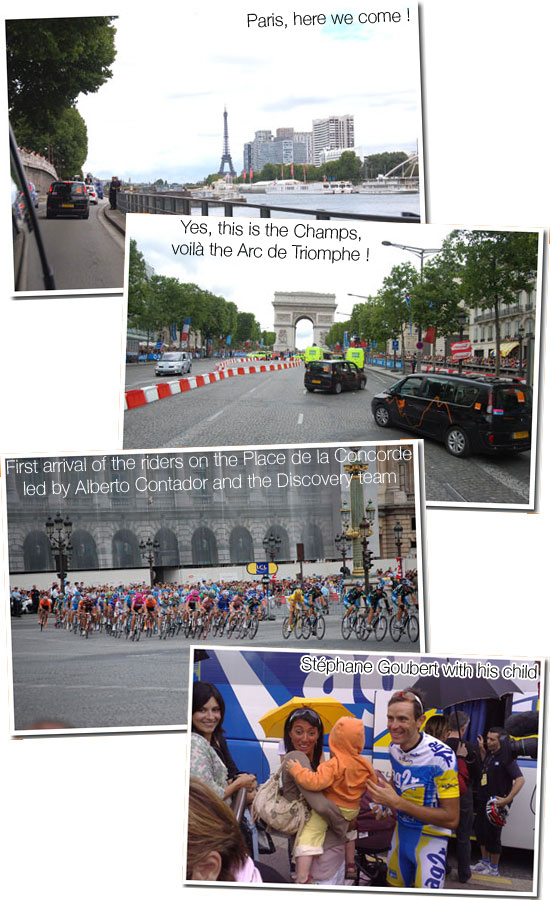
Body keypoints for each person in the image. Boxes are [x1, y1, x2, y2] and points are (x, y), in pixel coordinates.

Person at [368, 689, 460, 890]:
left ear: (420, 721)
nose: (393, 725)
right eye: (390, 718)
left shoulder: (442, 756)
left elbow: (452, 818)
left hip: (431, 840)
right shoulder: (394, 747)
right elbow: (397, 780)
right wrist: (384, 803)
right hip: (401, 835)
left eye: (402, 719)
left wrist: (398, 803)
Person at [286, 716, 376, 884]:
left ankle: (302, 876)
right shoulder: (365, 764)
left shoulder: (334, 764)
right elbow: (374, 784)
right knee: (350, 832)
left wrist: (297, 770)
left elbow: (314, 782)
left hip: (332, 807)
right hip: (352, 809)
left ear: (334, 739)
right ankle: (351, 865)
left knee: (308, 836)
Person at [280, 707, 351, 884]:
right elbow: (320, 805)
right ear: (289, 733)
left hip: (326, 848)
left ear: (319, 735)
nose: (305, 738)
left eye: (311, 733)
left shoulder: (317, 759)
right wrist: (346, 826)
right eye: (299, 732)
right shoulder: (296, 758)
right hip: (316, 850)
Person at [472, 725, 524, 878]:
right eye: (487, 738)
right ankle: (484, 862)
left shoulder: (507, 758)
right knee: (481, 831)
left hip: (497, 803)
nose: (488, 742)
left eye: (492, 739)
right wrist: (482, 749)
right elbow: (486, 766)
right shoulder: (490, 754)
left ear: (500, 740)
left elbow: (520, 779)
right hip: (483, 799)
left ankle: (494, 868)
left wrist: (507, 799)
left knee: (494, 835)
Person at [190, 681, 256, 801]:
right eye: (202, 710)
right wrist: (239, 784)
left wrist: (244, 779)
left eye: (215, 710)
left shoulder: (217, 737)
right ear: (191, 711)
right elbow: (208, 795)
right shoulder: (194, 743)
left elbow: (231, 771)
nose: (210, 717)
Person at [445, 710, 480, 883]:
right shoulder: (470, 748)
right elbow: (478, 774)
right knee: (464, 836)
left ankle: (442, 866)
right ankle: (464, 873)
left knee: (440, 831)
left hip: (443, 794)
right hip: (463, 794)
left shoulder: (439, 746)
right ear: (464, 728)